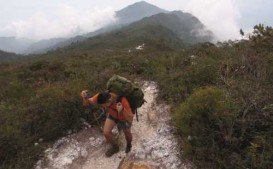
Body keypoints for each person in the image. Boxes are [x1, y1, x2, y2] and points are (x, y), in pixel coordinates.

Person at [81, 90, 134, 157]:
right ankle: (115, 147)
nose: (103, 106)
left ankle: (129, 144)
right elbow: (87, 104)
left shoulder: (123, 101)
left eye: (105, 104)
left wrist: (123, 110)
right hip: (113, 115)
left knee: (127, 133)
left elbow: (130, 118)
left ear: (109, 100)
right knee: (106, 132)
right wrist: (85, 98)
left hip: (124, 117)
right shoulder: (100, 96)